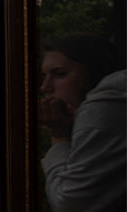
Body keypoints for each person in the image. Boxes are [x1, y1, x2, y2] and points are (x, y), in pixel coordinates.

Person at [39, 33, 125, 212]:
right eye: (45, 76)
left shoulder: (102, 110)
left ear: (92, 72)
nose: (45, 87)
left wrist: (59, 137)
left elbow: (70, 205)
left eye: (60, 74)